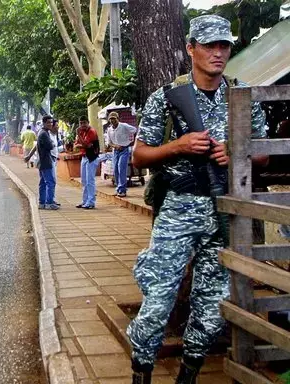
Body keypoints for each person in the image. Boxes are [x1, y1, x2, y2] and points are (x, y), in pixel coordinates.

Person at [127, 15, 269, 384]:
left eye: (223, 45)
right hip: (179, 207)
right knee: (158, 301)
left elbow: (264, 154)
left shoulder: (241, 96)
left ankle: (188, 373)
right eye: (209, 45)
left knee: (211, 307)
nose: (218, 53)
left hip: (224, 210)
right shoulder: (168, 97)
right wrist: (178, 146)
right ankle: (140, 371)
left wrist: (234, 152)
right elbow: (139, 156)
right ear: (191, 49)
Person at [105, 111, 137, 198]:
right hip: (115, 151)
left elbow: (134, 130)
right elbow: (109, 142)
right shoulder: (109, 130)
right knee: (115, 169)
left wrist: (130, 141)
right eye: (111, 119)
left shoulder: (123, 126)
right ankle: (118, 188)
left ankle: (123, 190)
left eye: (114, 118)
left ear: (117, 119)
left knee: (121, 168)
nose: (112, 120)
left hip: (124, 149)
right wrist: (115, 146)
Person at [74, 116, 100, 209]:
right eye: (81, 123)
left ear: (88, 122)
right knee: (84, 181)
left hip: (91, 157)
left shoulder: (91, 131)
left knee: (90, 180)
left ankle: (91, 202)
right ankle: (85, 201)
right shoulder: (81, 131)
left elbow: (86, 145)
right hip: (84, 157)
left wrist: (81, 141)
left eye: (84, 123)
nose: (82, 125)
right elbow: (76, 145)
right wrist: (83, 145)